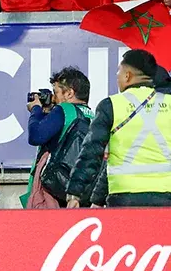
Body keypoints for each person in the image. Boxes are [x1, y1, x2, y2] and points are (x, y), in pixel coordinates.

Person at [67, 49, 171, 208]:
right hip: (166, 199)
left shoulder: (111, 105)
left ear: (127, 75)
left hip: (123, 198)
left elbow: (92, 151)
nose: (117, 76)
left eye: (119, 71)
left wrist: (75, 192)